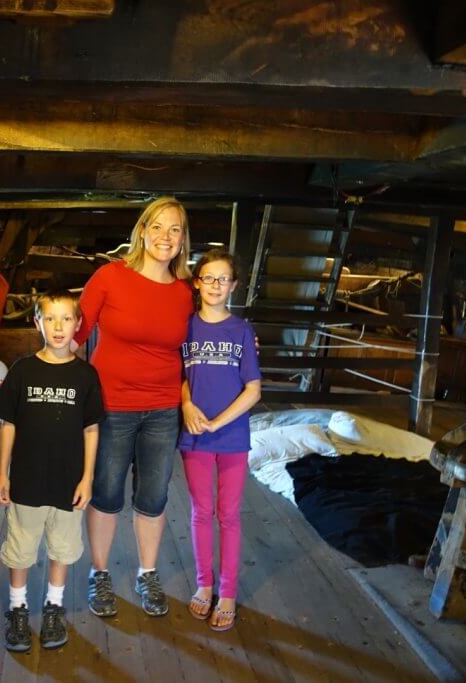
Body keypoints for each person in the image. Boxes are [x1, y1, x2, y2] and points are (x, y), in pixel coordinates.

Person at [73, 196, 195, 618]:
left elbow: (205, 336)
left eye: (175, 229)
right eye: (158, 226)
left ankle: (147, 572)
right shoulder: (110, 276)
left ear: (183, 241)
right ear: (142, 230)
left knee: (154, 496)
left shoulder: (185, 292)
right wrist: (40, 374)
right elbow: (74, 331)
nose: (165, 236)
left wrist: (241, 342)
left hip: (163, 409)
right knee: (106, 494)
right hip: (111, 406)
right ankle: (100, 573)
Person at [0, 289, 104, 652]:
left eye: (66, 319)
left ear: (78, 324)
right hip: (26, 479)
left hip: (68, 482)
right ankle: (18, 608)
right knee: (21, 549)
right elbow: (8, 425)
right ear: (37, 322)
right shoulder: (21, 371)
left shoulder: (86, 376)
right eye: (50, 319)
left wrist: (87, 478)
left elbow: (91, 429)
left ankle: (54, 606)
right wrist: (3, 474)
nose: (58, 327)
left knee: (62, 547)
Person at [179, 249, 261, 632]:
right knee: (200, 512)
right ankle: (204, 584)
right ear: (197, 282)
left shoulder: (241, 330)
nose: (214, 285)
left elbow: (253, 389)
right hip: (194, 434)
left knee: (228, 514)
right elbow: (177, 375)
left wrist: (219, 422)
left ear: (233, 285)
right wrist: (187, 405)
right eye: (207, 278)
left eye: (222, 279)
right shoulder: (185, 328)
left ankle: (227, 592)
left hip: (231, 436)